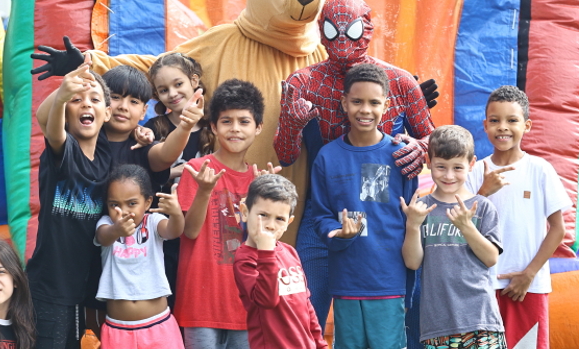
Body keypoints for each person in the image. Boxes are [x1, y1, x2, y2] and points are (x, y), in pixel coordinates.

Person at [274, 0, 436, 329]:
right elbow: (287, 155)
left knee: (394, 314)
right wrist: (291, 124)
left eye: (352, 30)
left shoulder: (402, 83)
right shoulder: (303, 84)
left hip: (382, 215)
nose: (343, 41)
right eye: (334, 31)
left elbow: (435, 142)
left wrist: (422, 147)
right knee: (305, 313)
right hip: (323, 206)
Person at [306, 63, 417, 349]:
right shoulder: (327, 158)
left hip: (389, 281)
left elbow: (412, 219)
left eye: (373, 102)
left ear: (386, 105)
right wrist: (337, 233)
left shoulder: (401, 155)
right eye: (357, 101)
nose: (365, 110)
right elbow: (320, 215)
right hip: (347, 281)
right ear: (344, 103)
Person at [465, 85, 571, 349]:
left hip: (528, 287)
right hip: (483, 286)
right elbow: (463, 225)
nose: (503, 127)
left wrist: (529, 274)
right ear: (485, 125)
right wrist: (483, 193)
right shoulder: (477, 171)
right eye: (495, 120)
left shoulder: (540, 169)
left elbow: (558, 229)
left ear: (527, 125)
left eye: (512, 120)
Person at [176, 79, 277, 349]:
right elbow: (189, 231)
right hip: (201, 305)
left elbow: (265, 243)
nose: (235, 129)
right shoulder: (197, 169)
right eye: (226, 121)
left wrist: (265, 200)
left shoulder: (258, 179)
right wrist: (205, 190)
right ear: (213, 126)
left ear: (258, 128)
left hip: (246, 306)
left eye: (244, 122)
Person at [29, 54, 112, 349]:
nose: (86, 104)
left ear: (107, 113)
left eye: (95, 100)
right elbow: (50, 127)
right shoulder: (63, 150)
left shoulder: (105, 154)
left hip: (90, 292)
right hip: (50, 289)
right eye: (77, 100)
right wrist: (65, 91)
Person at [401, 126, 506, 349]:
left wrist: (467, 227)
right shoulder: (421, 208)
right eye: (441, 167)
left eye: (457, 167)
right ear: (429, 162)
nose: (449, 175)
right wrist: (412, 224)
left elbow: (491, 259)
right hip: (437, 326)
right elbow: (412, 262)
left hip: (480, 321)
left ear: (471, 164)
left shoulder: (483, 207)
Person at [144, 52, 215, 308]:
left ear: (194, 80)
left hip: (202, 222)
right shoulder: (154, 127)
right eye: (163, 90)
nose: (172, 93)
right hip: (165, 225)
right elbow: (150, 168)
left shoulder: (211, 127)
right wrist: (175, 172)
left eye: (178, 84)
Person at [94, 164, 184, 349]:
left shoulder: (153, 222)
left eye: (132, 203)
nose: (124, 210)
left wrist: (175, 214)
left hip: (158, 326)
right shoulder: (106, 224)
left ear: (148, 202)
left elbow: (173, 231)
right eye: (114, 205)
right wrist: (116, 229)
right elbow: (103, 237)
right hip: (118, 330)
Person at [234, 174, 327, 349]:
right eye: (263, 215)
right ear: (245, 213)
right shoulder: (245, 258)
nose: (270, 225)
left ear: (288, 223)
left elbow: (306, 305)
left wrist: (320, 344)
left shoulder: (290, 252)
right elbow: (267, 300)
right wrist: (266, 252)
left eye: (279, 219)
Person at [101, 64, 202, 195]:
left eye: (134, 101)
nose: (123, 107)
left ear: (143, 112)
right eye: (115, 97)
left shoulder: (142, 147)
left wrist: (185, 125)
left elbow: (166, 155)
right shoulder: (83, 136)